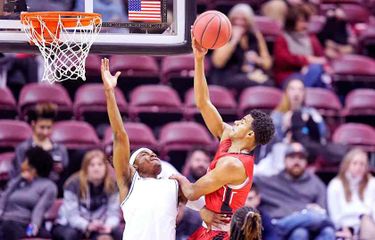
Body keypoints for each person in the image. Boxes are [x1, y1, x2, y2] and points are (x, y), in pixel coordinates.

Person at [171, 34, 275, 240]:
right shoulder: (227, 137)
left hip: (222, 234)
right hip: (208, 228)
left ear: (250, 134)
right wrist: (199, 59)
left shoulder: (235, 165)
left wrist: (179, 179)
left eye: (243, 122)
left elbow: (191, 192)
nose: (237, 122)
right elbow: (202, 102)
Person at [101, 58, 186, 240]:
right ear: (134, 167)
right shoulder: (130, 182)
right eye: (144, 155)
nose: (152, 154)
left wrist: (204, 212)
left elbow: (191, 206)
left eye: (153, 153)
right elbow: (120, 135)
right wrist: (109, 92)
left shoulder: (173, 184)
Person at [255, 143, 335, 240]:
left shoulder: (316, 184)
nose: (296, 161)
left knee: (326, 230)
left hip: (307, 225)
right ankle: (276, 228)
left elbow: (321, 214)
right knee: (300, 233)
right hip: (279, 221)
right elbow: (247, 178)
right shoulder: (270, 181)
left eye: (301, 158)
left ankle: (278, 227)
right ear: (284, 160)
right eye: (292, 157)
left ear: (306, 162)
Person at [52, 149, 122, 240]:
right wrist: (87, 226)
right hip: (69, 224)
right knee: (70, 235)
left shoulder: (112, 185)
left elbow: (113, 214)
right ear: (85, 168)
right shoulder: (73, 183)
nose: (96, 168)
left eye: (100, 164)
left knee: (118, 234)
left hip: (98, 225)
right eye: (92, 165)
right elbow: (72, 216)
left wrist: (108, 226)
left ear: (105, 167)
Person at [211, 3, 273, 93]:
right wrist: (234, 40)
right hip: (226, 75)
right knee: (249, 81)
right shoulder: (225, 34)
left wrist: (257, 60)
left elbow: (267, 64)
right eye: (236, 19)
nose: (239, 23)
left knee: (269, 83)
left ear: (249, 21)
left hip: (247, 74)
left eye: (243, 20)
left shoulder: (255, 35)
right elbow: (218, 62)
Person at [0, 146, 57, 240]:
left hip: (23, 223)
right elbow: (4, 195)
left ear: (33, 167)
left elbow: (39, 210)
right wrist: (19, 179)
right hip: (4, 221)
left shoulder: (49, 186)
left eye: (25, 161)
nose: (22, 163)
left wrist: (30, 232)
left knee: (9, 227)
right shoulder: (18, 181)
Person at [14, 103, 69, 195]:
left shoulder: (61, 149)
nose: (45, 132)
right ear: (33, 124)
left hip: (55, 190)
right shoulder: (23, 148)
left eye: (49, 128)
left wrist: (61, 171)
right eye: (42, 127)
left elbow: (66, 176)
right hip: (29, 191)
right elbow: (18, 174)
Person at [273, 5, 329, 87]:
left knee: (320, 76)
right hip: (288, 77)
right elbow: (283, 60)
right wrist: (306, 60)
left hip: (309, 73)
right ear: (292, 21)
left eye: (306, 21)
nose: (305, 25)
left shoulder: (311, 39)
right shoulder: (282, 38)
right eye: (301, 21)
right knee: (316, 71)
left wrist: (310, 66)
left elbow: (321, 59)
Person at [327, 148, 375, 239]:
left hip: (367, 226)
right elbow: (334, 215)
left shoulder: (372, 183)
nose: (359, 167)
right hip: (344, 228)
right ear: (347, 165)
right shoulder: (335, 185)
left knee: (367, 222)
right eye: (355, 163)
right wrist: (344, 229)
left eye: (362, 164)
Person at [177, 149, 211, 240]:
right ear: (189, 162)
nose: (201, 164)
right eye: (197, 160)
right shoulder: (180, 186)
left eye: (205, 161)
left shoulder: (215, 187)